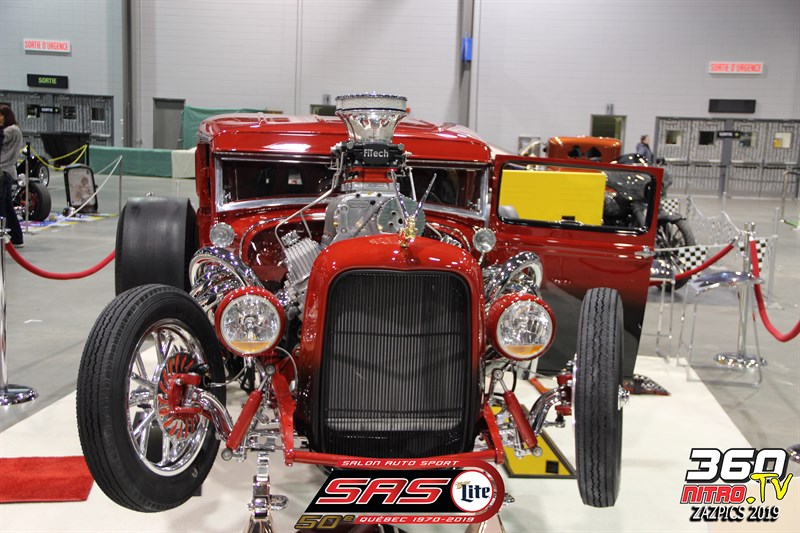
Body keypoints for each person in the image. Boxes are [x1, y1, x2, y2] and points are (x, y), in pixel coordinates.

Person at [0, 105, 24, 247]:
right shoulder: (14, 130)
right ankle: (16, 236)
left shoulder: (11, 130)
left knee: (3, 206)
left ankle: (6, 235)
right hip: (7, 171)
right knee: (7, 206)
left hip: (4, 171)